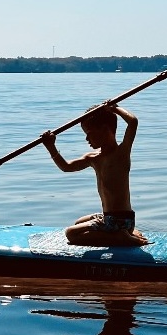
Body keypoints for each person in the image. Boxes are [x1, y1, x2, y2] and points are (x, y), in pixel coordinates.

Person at [41, 103, 148, 247]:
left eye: (89, 133)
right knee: (79, 222)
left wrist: (113, 108)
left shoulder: (121, 153)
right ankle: (127, 232)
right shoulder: (93, 158)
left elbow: (133, 122)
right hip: (112, 218)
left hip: (119, 220)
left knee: (71, 233)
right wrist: (51, 147)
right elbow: (66, 167)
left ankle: (119, 237)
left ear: (105, 129)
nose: (87, 139)